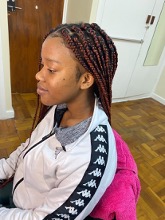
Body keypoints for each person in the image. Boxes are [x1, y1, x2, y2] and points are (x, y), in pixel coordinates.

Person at [0, 22, 127, 219]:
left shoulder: (88, 161)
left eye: (51, 69)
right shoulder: (58, 108)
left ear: (85, 80)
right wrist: (3, 169)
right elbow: (28, 148)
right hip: (16, 190)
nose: (38, 75)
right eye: (42, 65)